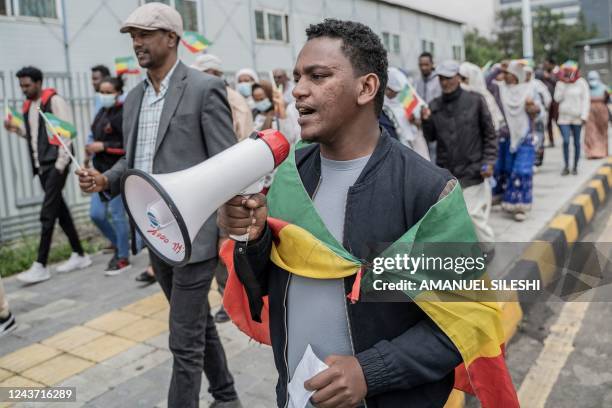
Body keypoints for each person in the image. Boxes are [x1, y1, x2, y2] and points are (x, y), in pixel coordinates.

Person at [218, 19, 517, 408]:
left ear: (366, 87)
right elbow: (266, 288)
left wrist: (370, 372)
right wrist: (252, 240)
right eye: (296, 77)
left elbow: (468, 320)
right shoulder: (290, 175)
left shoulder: (428, 190)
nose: (298, 91)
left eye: (318, 76)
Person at [75, 4, 240, 407]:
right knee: (197, 325)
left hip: (195, 236)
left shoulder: (203, 88)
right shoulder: (133, 99)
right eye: (132, 35)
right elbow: (134, 162)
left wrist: (225, 234)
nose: (136, 42)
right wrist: (105, 180)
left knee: (182, 340)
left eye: (145, 33)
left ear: (171, 38)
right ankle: (228, 396)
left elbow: (227, 164)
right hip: (154, 232)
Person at [3, 66, 91, 284]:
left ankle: (40, 264)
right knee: (60, 211)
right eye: (21, 86)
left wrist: (61, 165)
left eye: (27, 85)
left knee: (47, 213)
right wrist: (16, 129)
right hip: (41, 166)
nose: (24, 89)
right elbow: (35, 136)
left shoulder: (54, 101)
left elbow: (66, 133)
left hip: (55, 165)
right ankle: (80, 255)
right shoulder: (28, 106)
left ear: (38, 82)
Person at [422, 60, 497, 250]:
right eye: (441, 78)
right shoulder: (434, 106)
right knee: (452, 218)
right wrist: (426, 121)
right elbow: (430, 137)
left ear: (457, 77)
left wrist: (489, 161)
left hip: (473, 169)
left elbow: (490, 134)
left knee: (473, 214)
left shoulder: (476, 100)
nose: (444, 82)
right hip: (448, 172)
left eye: (448, 78)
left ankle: (488, 248)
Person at [86, 76, 131, 275]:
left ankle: (122, 257)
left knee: (117, 215)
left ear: (119, 93)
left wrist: (103, 146)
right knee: (96, 214)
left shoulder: (124, 114)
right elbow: (94, 137)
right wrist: (89, 153)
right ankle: (120, 244)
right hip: (98, 172)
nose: (103, 96)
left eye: (108, 92)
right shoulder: (101, 113)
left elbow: (127, 147)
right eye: (101, 92)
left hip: (116, 173)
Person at [488, 61, 542, 221]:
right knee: (505, 169)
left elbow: (540, 111)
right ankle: (502, 198)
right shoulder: (500, 89)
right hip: (505, 137)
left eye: (510, 74)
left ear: (517, 76)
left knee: (522, 170)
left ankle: (520, 207)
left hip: (525, 137)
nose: (506, 77)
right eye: (506, 74)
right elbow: (484, 82)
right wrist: (498, 68)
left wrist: (534, 109)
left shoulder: (529, 89)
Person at [191, 54, 254, 141]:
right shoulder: (202, 95)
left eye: (201, 73)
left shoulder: (233, 98)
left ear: (214, 73)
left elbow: (244, 134)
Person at [381, 67, 429, 159]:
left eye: (397, 91)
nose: (396, 94)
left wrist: (415, 119)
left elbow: (418, 120)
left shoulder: (404, 95)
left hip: (413, 145)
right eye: (393, 91)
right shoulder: (380, 105)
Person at [554, 61, 590, 175]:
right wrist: (564, 84)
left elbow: (586, 100)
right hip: (564, 117)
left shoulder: (581, 82)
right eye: (566, 70)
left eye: (570, 70)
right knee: (565, 141)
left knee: (576, 142)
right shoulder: (560, 83)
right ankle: (566, 166)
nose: (568, 72)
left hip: (577, 117)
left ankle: (575, 166)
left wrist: (584, 115)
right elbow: (557, 99)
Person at [251, 80, 300, 144]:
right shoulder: (254, 114)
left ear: (270, 95)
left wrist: (282, 115)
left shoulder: (281, 111)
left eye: (262, 99)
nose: (260, 102)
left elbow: (289, 136)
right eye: (256, 100)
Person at [525, 65, 551, 168]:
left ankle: (537, 160)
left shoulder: (537, 84)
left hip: (538, 117)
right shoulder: (520, 85)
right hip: (526, 119)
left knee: (539, 138)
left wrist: (542, 109)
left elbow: (547, 99)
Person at [584, 71, 609, 159]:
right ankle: (591, 152)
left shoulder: (605, 88)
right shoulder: (585, 88)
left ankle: (602, 151)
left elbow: (609, 100)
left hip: (602, 112)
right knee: (590, 132)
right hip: (589, 112)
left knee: (602, 132)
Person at [542, 58, 559, 147]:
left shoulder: (556, 73)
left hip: (555, 101)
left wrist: (549, 77)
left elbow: (557, 83)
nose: (546, 65)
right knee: (548, 122)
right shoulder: (542, 74)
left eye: (547, 64)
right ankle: (551, 140)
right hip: (546, 102)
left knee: (557, 119)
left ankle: (566, 136)